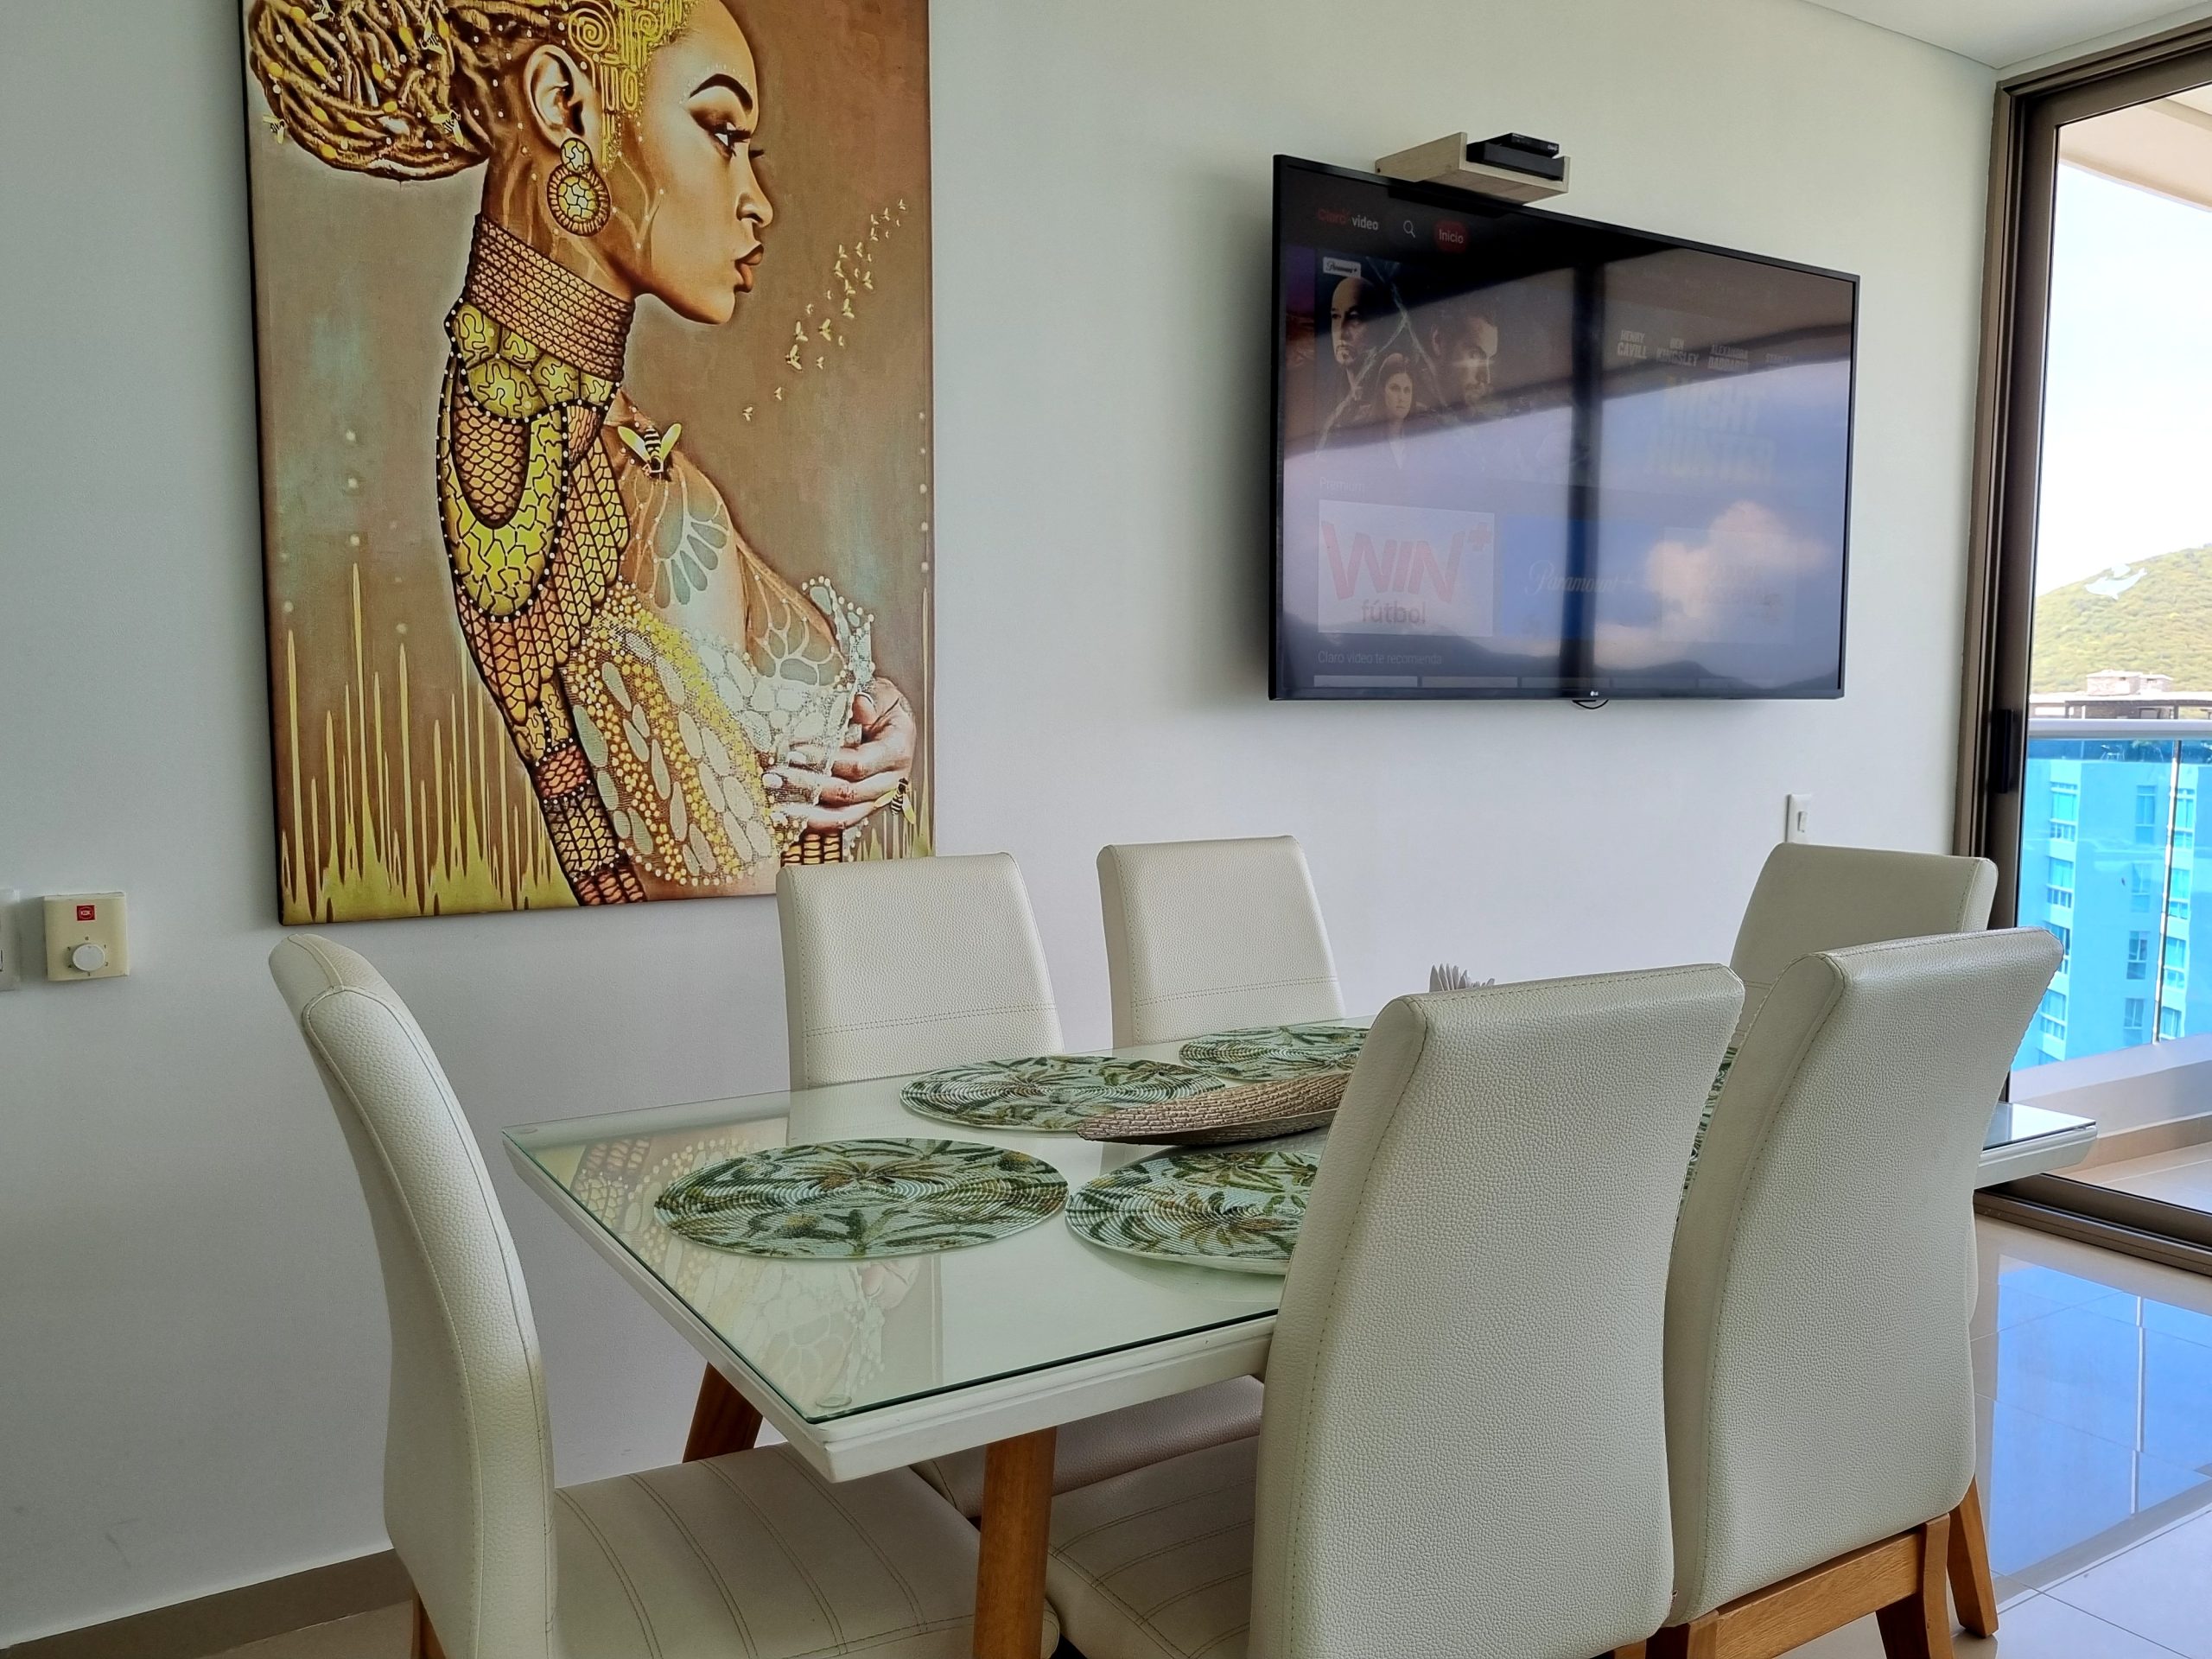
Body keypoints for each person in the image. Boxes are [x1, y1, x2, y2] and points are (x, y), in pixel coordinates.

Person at [247, 0, 915, 902]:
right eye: (720, 130)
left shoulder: (542, 438)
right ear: (564, 104)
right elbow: (728, 941)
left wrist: (866, 720)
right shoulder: (635, 505)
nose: (757, 200)